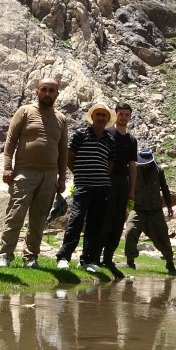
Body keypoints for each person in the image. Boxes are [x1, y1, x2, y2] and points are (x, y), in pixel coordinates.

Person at [0, 78, 68, 268]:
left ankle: (31, 257)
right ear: (37, 91)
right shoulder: (25, 111)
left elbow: (63, 150)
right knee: (16, 214)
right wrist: (7, 167)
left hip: (49, 175)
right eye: (44, 89)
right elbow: (10, 141)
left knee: (39, 218)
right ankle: (4, 255)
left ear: (57, 94)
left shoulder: (61, 118)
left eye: (52, 91)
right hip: (24, 172)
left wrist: (62, 178)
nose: (47, 93)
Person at [54, 103, 115, 274]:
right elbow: (69, 157)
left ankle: (87, 259)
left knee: (96, 224)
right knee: (76, 220)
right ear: (92, 117)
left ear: (108, 119)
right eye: (98, 115)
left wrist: (100, 175)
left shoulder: (110, 140)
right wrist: (79, 174)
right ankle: (63, 257)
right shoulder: (80, 134)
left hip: (103, 187)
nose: (101, 118)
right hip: (83, 186)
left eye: (104, 115)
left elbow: (110, 163)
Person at [124, 149, 176, 276]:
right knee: (130, 230)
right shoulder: (133, 170)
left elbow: (164, 188)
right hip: (138, 209)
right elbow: (127, 186)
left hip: (155, 211)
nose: (144, 165)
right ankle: (130, 262)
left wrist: (169, 206)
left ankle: (170, 263)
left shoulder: (159, 171)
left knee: (163, 237)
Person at [100, 103, 137, 271]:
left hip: (123, 182)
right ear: (116, 115)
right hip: (106, 179)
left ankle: (108, 258)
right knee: (103, 219)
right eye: (121, 114)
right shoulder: (107, 134)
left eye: (126, 114)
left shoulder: (131, 140)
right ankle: (93, 256)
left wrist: (132, 189)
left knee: (117, 221)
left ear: (130, 117)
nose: (123, 117)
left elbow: (132, 165)